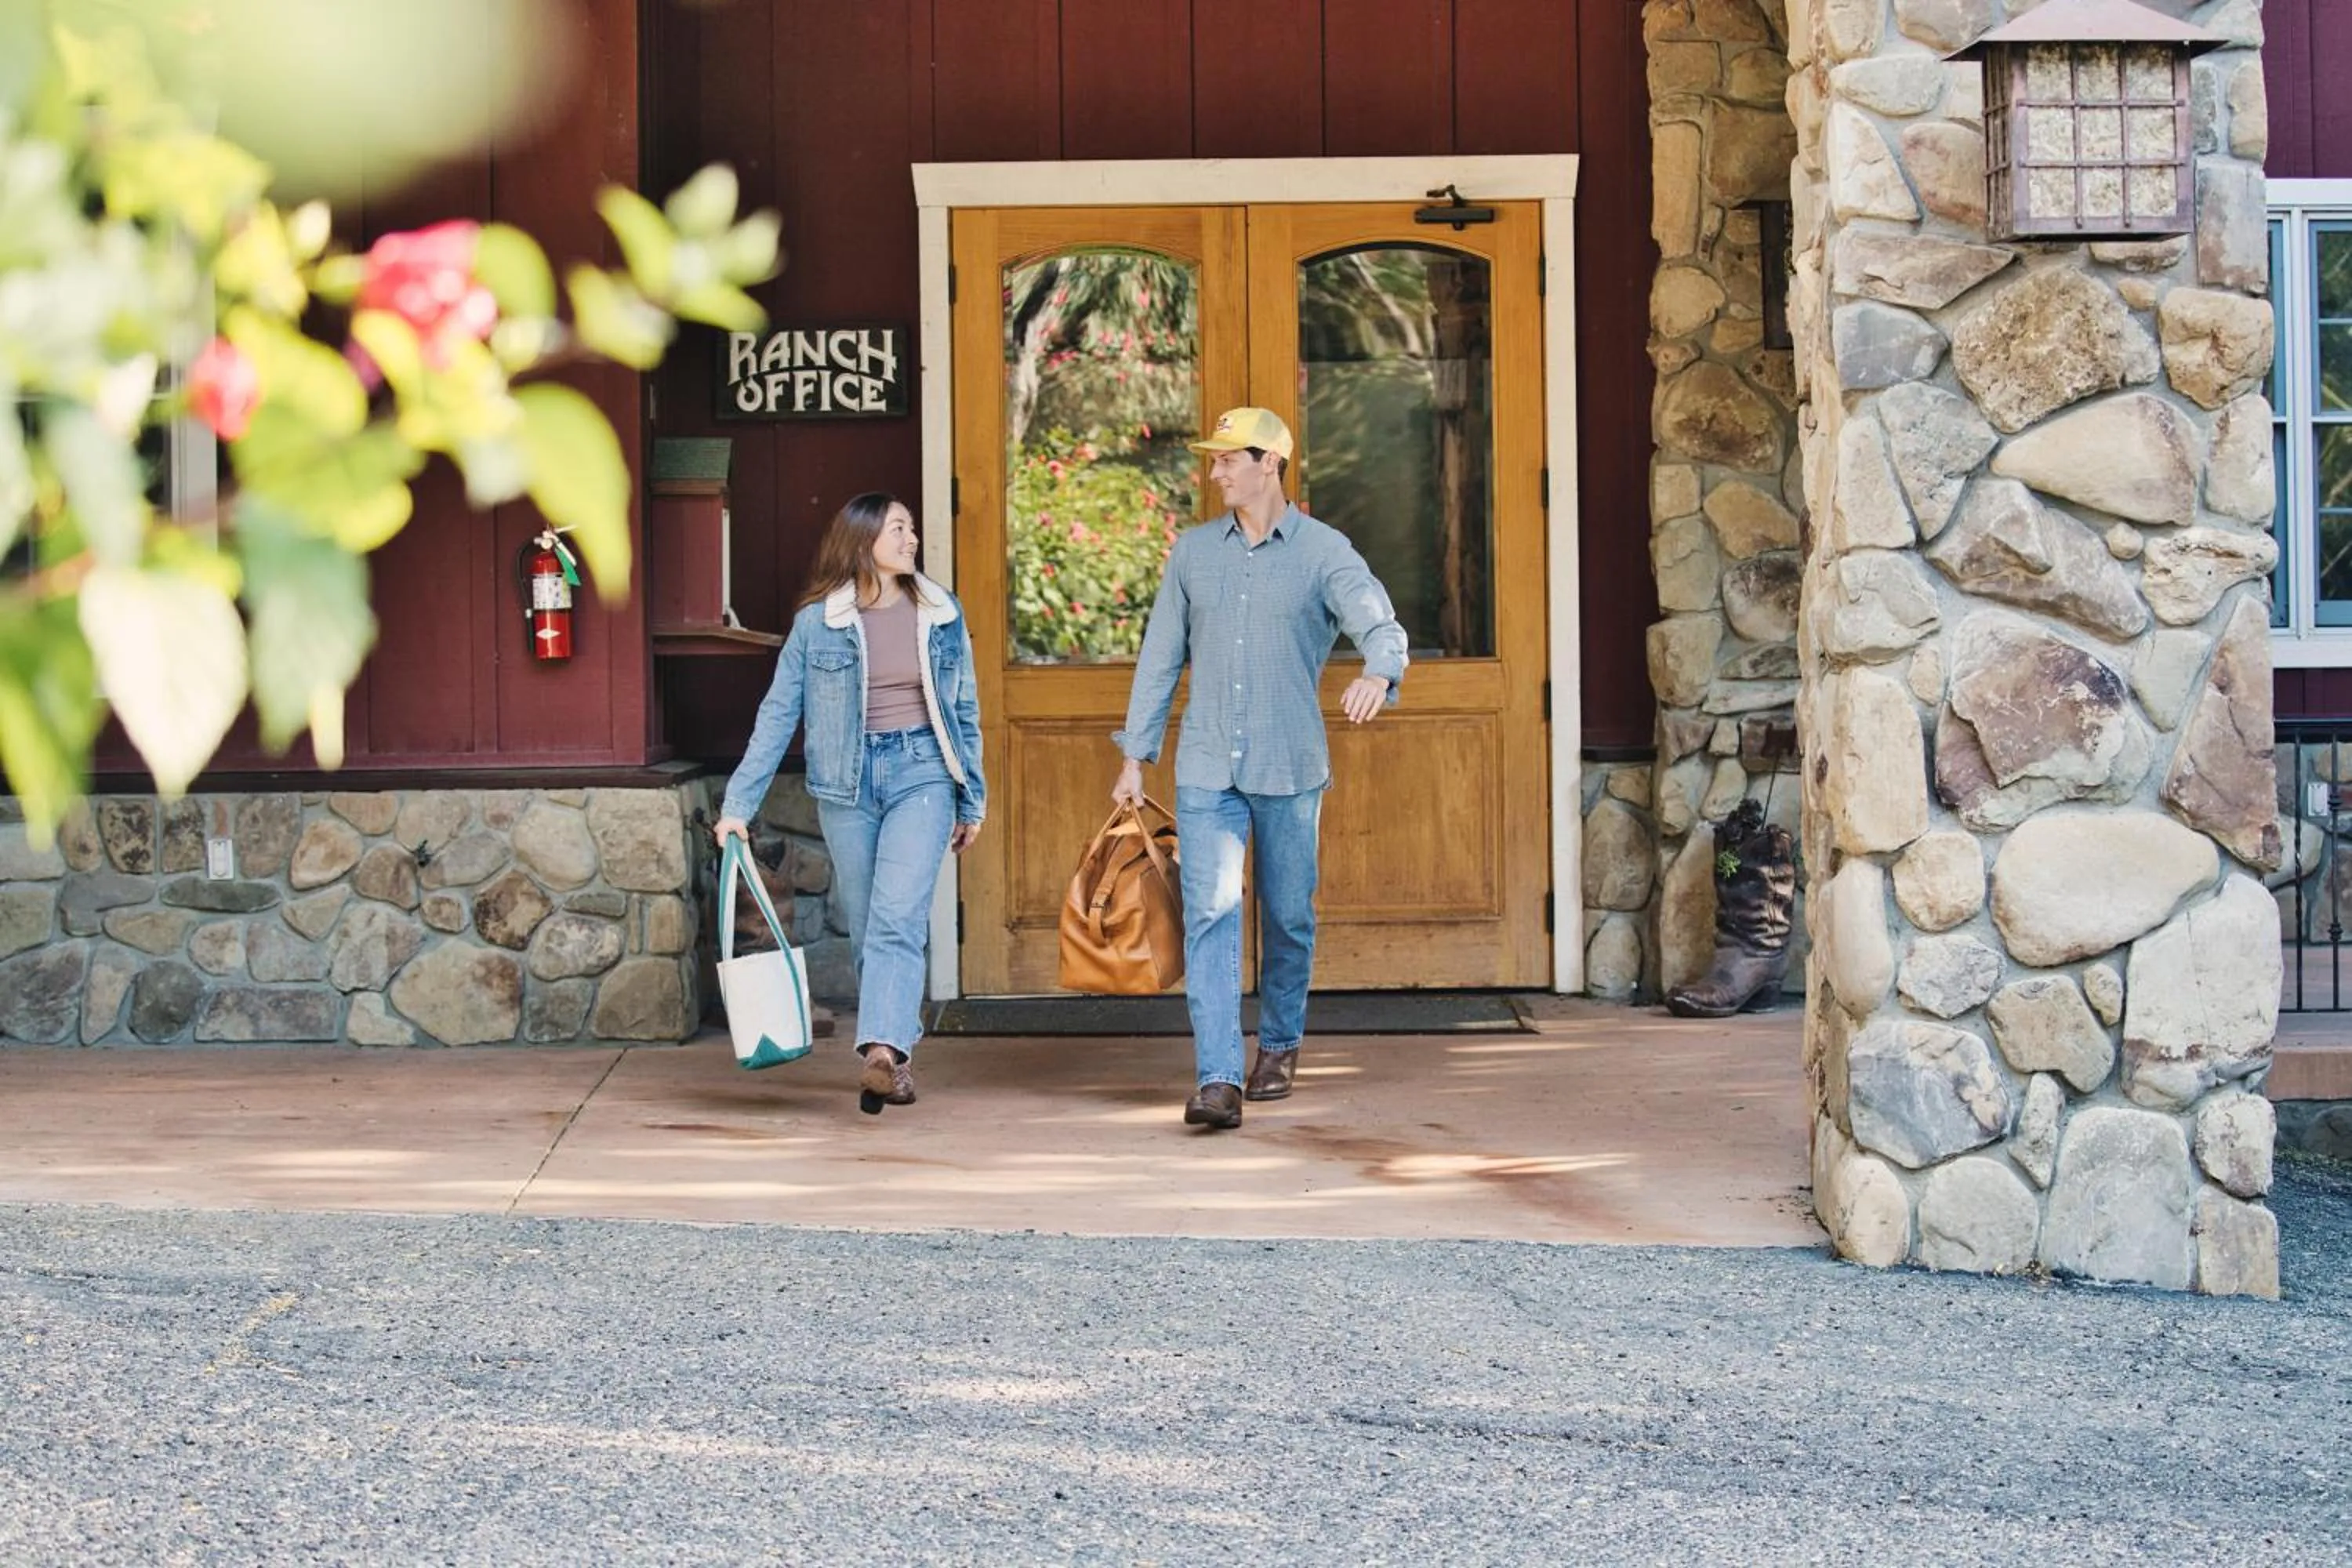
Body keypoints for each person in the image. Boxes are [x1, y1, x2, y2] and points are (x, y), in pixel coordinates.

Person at [1112, 408, 1407, 1131]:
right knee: (1211, 913)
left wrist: (1379, 672)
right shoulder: (1192, 554)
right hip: (1208, 765)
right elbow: (1160, 659)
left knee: (1288, 916)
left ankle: (1278, 1044)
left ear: (1269, 463)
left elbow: (1379, 623)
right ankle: (1217, 1079)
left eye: (1227, 460)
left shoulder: (1324, 551)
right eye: (1213, 460)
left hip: (1290, 765)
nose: (1214, 473)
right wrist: (1135, 757)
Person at [714, 493, 984, 1116]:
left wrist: (972, 798)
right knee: (868, 924)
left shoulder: (940, 612)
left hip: (923, 771)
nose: (912, 539)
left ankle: (882, 1051)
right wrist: (738, 806)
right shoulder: (819, 624)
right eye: (898, 529)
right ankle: (896, 1058)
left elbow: (964, 709)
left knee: (896, 917)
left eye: (911, 528)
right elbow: (778, 714)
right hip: (847, 784)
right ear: (862, 541)